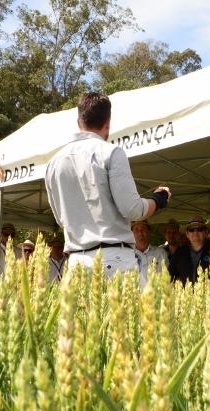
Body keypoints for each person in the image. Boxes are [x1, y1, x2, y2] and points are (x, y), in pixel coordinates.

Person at [45, 92, 172, 277]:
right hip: (113, 259)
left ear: (79, 120)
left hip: (75, 262)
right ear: (108, 123)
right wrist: (159, 199)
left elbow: (59, 218)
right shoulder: (111, 152)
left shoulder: (53, 163)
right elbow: (133, 210)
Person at [168, 217, 210, 284]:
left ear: (206, 232)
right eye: (192, 230)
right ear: (187, 234)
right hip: (186, 293)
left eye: (200, 229)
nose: (195, 232)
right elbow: (170, 275)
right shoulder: (180, 252)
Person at [132, 219, 168, 287]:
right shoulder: (127, 254)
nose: (140, 233)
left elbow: (166, 278)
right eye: (136, 230)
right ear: (132, 233)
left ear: (149, 232)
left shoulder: (161, 253)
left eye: (143, 229)